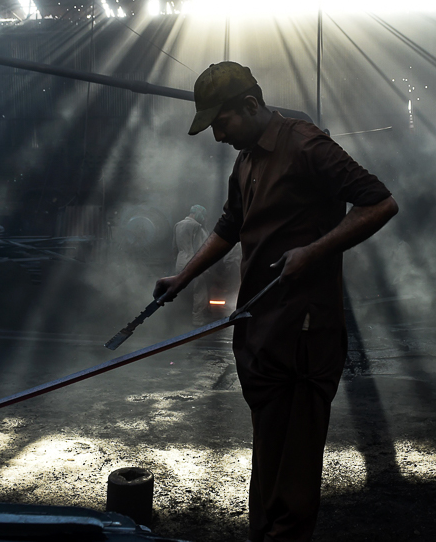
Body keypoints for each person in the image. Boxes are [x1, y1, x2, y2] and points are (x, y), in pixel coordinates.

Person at [153, 62, 398, 541]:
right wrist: (183, 277)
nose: (217, 134)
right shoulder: (245, 160)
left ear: (250, 105)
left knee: (294, 467)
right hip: (262, 332)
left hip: (304, 335)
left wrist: (313, 251)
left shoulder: (305, 145)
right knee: (269, 451)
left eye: (221, 122)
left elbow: (379, 202)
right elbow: (229, 227)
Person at [172, 204, 210, 326]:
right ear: (197, 213)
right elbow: (201, 248)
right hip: (193, 261)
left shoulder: (178, 225)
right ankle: (197, 319)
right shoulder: (197, 226)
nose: (203, 218)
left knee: (179, 290)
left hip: (180, 261)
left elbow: (174, 247)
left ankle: (176, 318)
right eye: (202, 215)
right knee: (200, 291)